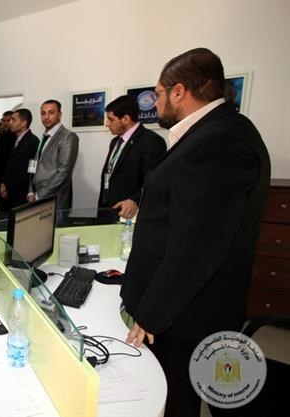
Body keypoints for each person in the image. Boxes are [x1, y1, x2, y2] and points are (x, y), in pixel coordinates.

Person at [122, 48, 270, 417]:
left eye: (157, 93)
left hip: (186, 317)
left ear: (179, 92)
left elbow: (195, 249)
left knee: (177, 403)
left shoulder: (219, 142)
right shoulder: (219, 131)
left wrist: (151, 315)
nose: (155, 103)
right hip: (189, 310)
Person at [98, 95, 166, 219]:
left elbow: (153, 181)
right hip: (108, 208)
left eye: (111, 119)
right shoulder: (115, 141)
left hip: (131, 213)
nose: (107, 124)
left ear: (126, 119)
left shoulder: (151, 141)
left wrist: (134, 200)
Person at [28, 100, 79, 213]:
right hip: (37, 197)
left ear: (60, 114)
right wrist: (31, 191)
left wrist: (40, 195)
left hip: (55, 200)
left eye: (51, 112)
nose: (46, 117)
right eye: (43, 113)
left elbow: (63, 172)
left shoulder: (68, 137)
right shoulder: (44, 136)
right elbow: (34, 166)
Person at [0, 108, 38, 208]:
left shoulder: (33, 142)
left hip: (21, 195)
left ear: (24, 123)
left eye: (14, 120)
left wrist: (8, 189)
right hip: (10, 194)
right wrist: (3, 183)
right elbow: (9, 165)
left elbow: (28, 172)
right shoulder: (15, 140)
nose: (10, 123)